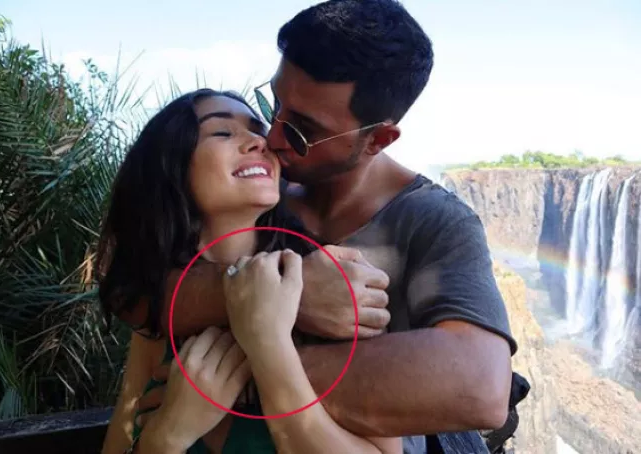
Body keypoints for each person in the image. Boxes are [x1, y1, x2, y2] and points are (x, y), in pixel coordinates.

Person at [129, 0, 521, 453]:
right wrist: (291, 294)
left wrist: (247, 368)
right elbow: (130, 287)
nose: (273, 137)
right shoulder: (258, 188)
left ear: (377, 139)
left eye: (302, 130)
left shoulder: (434, 223)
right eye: (275, 103)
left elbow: (480, 387)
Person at [96, 88, 400, 453]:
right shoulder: (160, 309)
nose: (259, 141)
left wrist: (269, 345)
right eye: (222, 132)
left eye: (259, 130)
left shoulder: (334, 290)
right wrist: (168, 436)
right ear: (171, 165)